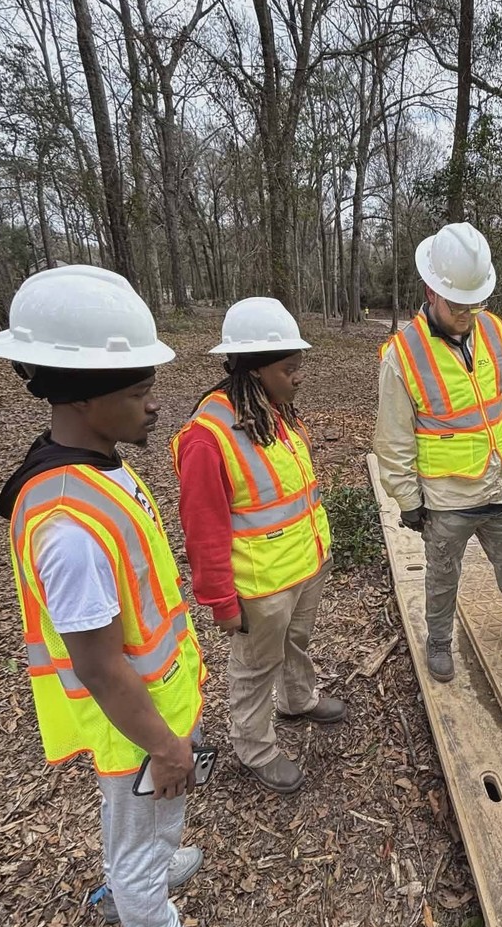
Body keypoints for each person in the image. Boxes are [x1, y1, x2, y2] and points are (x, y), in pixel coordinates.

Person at [0, 265, 244, 927]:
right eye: (136, 393)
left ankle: (156, 860)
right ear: (83, 396)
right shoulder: (67, 525)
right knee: (133, 838)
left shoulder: (93, 468)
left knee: (154, 817)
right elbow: (97, 665)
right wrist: (164, 746)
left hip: (154, 706)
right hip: (131, 723)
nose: (154, 405)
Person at [374, 222, 502, 682]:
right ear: (431, 290)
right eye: (457, 304)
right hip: (447, 500)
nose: (467, 313)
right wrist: (409, 501)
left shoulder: (494, 330)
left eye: (474, 303)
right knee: (442, 575)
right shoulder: (401, 356)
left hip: (500, 483)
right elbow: (393, 440)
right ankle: (438, 640)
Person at [172, 297, 342, 796]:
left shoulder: (275, 411)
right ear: (254, 369)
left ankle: (297, 699)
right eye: (289, 368)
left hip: (304, 566)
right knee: (254, 667)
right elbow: (203, 533)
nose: (298, 376)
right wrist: (223, 604)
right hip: (261, 585)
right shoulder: (208, 436)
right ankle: (255, 746)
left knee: (296, 644)